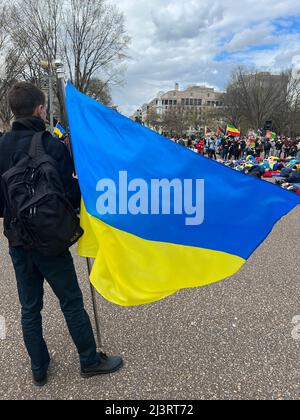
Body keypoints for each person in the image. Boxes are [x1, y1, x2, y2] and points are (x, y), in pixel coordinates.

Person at [0, 82, 123, 387]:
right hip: (51, 242)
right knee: (70, 301)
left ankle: (39, 368)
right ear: (40, 109)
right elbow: (70, 193)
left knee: (30, 308)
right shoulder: (51, 145)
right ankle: (89, 360)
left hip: (18, 240)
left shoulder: (1, 146)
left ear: (14, 110)